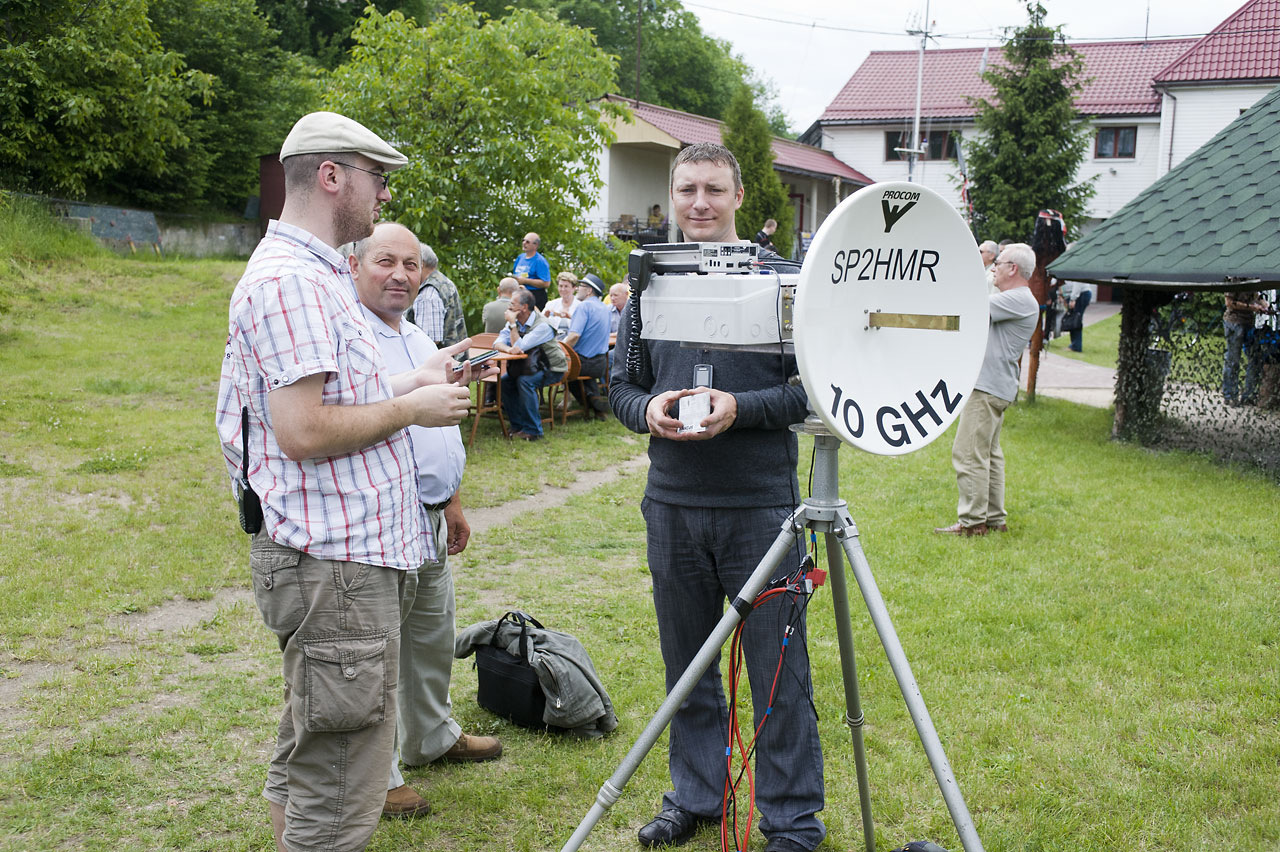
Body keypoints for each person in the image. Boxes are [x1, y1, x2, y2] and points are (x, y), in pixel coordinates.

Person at [215, 111, 474, 852]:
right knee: (340, 780)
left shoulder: (319, 274)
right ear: (332, 177)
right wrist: (412, 409)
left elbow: (334, 397)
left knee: (315, 745)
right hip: (333, 566)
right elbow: (302, 430)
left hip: (340, 564)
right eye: (377, 178)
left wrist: (415, 377)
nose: (384, 195)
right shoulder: (294, 283)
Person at [609, 142, 823, 852]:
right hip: (672, 503)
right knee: (689, 667)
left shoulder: (780, 282)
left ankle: (792, 822)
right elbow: (621, 388)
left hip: (761, 507)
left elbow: (809, 390)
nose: (699, 203)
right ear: (672, 195)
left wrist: (742, 407)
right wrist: (649, 409)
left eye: (714, 189)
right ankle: (695, 796)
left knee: (778, 672)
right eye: (687, 189)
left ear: (738, 197)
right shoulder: (647, 282)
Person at [348, 223, 503, 821]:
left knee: (431, 636)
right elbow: (348, 413)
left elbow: (440, 425)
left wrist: (453, 499)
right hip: (384, 519)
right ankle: (379, 776)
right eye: (386, 261)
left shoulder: (416, 336)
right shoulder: (351, 335)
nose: (401, 275)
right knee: (379, 651)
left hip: (431, 515)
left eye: (411, 265)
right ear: (355, 266)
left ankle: (431, 736)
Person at [935, 242, 1040, 537]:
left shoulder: (1018, 299)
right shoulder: (1017, 299)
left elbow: (970, 307)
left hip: (986, 387)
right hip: (996, 385)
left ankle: (972, 522)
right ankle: (994, 518)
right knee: (989, 454)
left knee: (968, 452)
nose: (993, 268)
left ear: (1013, 269)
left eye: (999, 263)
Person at [495, 289, 567, 441]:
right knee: (505, 381)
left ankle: (533, 430)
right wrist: (508, 349)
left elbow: (520, 346)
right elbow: (497, 343)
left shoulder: (543, 325)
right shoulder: (514, 321)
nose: (509, 307)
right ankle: (517, 425)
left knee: (525, 382)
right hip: (529, 367)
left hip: (553, 368)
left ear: (524, 307)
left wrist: (512, 325)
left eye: (512, 304)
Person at [562, 272, 612, 419]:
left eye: (581, 286)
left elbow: (574, 335)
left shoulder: (584, 307)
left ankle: (589, 404)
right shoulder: (605, 308)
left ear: (589, 290)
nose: (578, 288)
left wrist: (562, 349)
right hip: (601, 363)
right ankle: (596, 404)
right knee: (583, 375)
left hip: (583, 363)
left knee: (563, 370)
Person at [409, 244, 467, 347]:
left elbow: (429, 340)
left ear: (421, 264)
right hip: (456, 354)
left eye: (410, 263)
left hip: (438, 356)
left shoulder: (428, 294)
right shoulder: (444, 282)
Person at [1222, 290, 1269, 405]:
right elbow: (1229, 302)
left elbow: (1255, 294)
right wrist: (1252, 307)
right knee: (1233, 361)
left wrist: (1265, 305)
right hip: (1234, 322)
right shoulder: (1234, 279)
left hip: (1249, 323)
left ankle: (1249, 395)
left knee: (1255, 358)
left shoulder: (1251, 280)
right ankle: (1230, 395)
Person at [512, 231, 551, 311]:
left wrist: (526, 281)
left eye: (527, 242)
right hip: (520, 293)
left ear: (535, 245)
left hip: (535, 295)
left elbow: (546, 283)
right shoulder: (520, 257)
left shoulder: (540, 261)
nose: (524, 243)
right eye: (523, 240)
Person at [1062, 280, 1095, 352]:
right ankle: (1074, 345)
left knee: (1076, 320)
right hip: (1078, 295)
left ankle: (1076, 346)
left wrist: (1073, 299)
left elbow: (1078, 282)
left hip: (1080, 295)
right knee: (1074, 320)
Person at [543, 270, 580, 335]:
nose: (563, 289)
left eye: (566, 286)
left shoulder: (580, 306)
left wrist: (570, 317)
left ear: (574, 288)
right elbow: (540, 324)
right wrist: (545, 317)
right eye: (560, 286)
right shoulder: (551, 304)